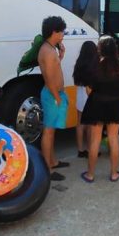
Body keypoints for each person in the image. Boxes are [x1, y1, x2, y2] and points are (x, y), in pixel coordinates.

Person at [79, 36, 119, 182]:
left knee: (95, 140)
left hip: (97, 105)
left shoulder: (96, 66)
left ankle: (90, 174)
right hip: (115, 104)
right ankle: (113, 173)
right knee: (113, 138)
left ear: (100, 48)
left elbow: (88, 90)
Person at [38, 16, 69, 181]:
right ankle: (47, 169)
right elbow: (49, 78)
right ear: (54, 32)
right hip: (52, 96)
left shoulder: (50, 49)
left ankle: (53, 161)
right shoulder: (48, 51)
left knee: (51, 131)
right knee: (48, 132)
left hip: (54, 95)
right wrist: (57, 97)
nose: (63, 34)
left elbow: (54, 68)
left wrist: (61, 55)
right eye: (61, 31)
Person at [73, 41, 99, 159]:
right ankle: (90, 149)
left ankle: (80, 149)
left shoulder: (79, 63)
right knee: (89, 125)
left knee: (80, 123)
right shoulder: (95, 65)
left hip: (80, 94)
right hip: (90, 96)